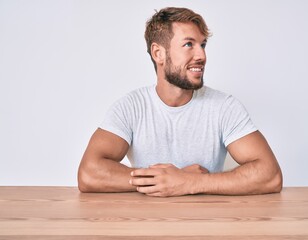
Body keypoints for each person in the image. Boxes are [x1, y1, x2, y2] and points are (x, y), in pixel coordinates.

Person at [77, 7, 282, 197]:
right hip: (147, 226)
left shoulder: (223, 107)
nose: (201, 55)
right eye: (188, 45)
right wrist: (165, 180)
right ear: (159, 53)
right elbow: (89, 173)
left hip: (206, 227)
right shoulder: (132, 107)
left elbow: (270, 175)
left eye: (202, 45)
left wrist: (191, 182)